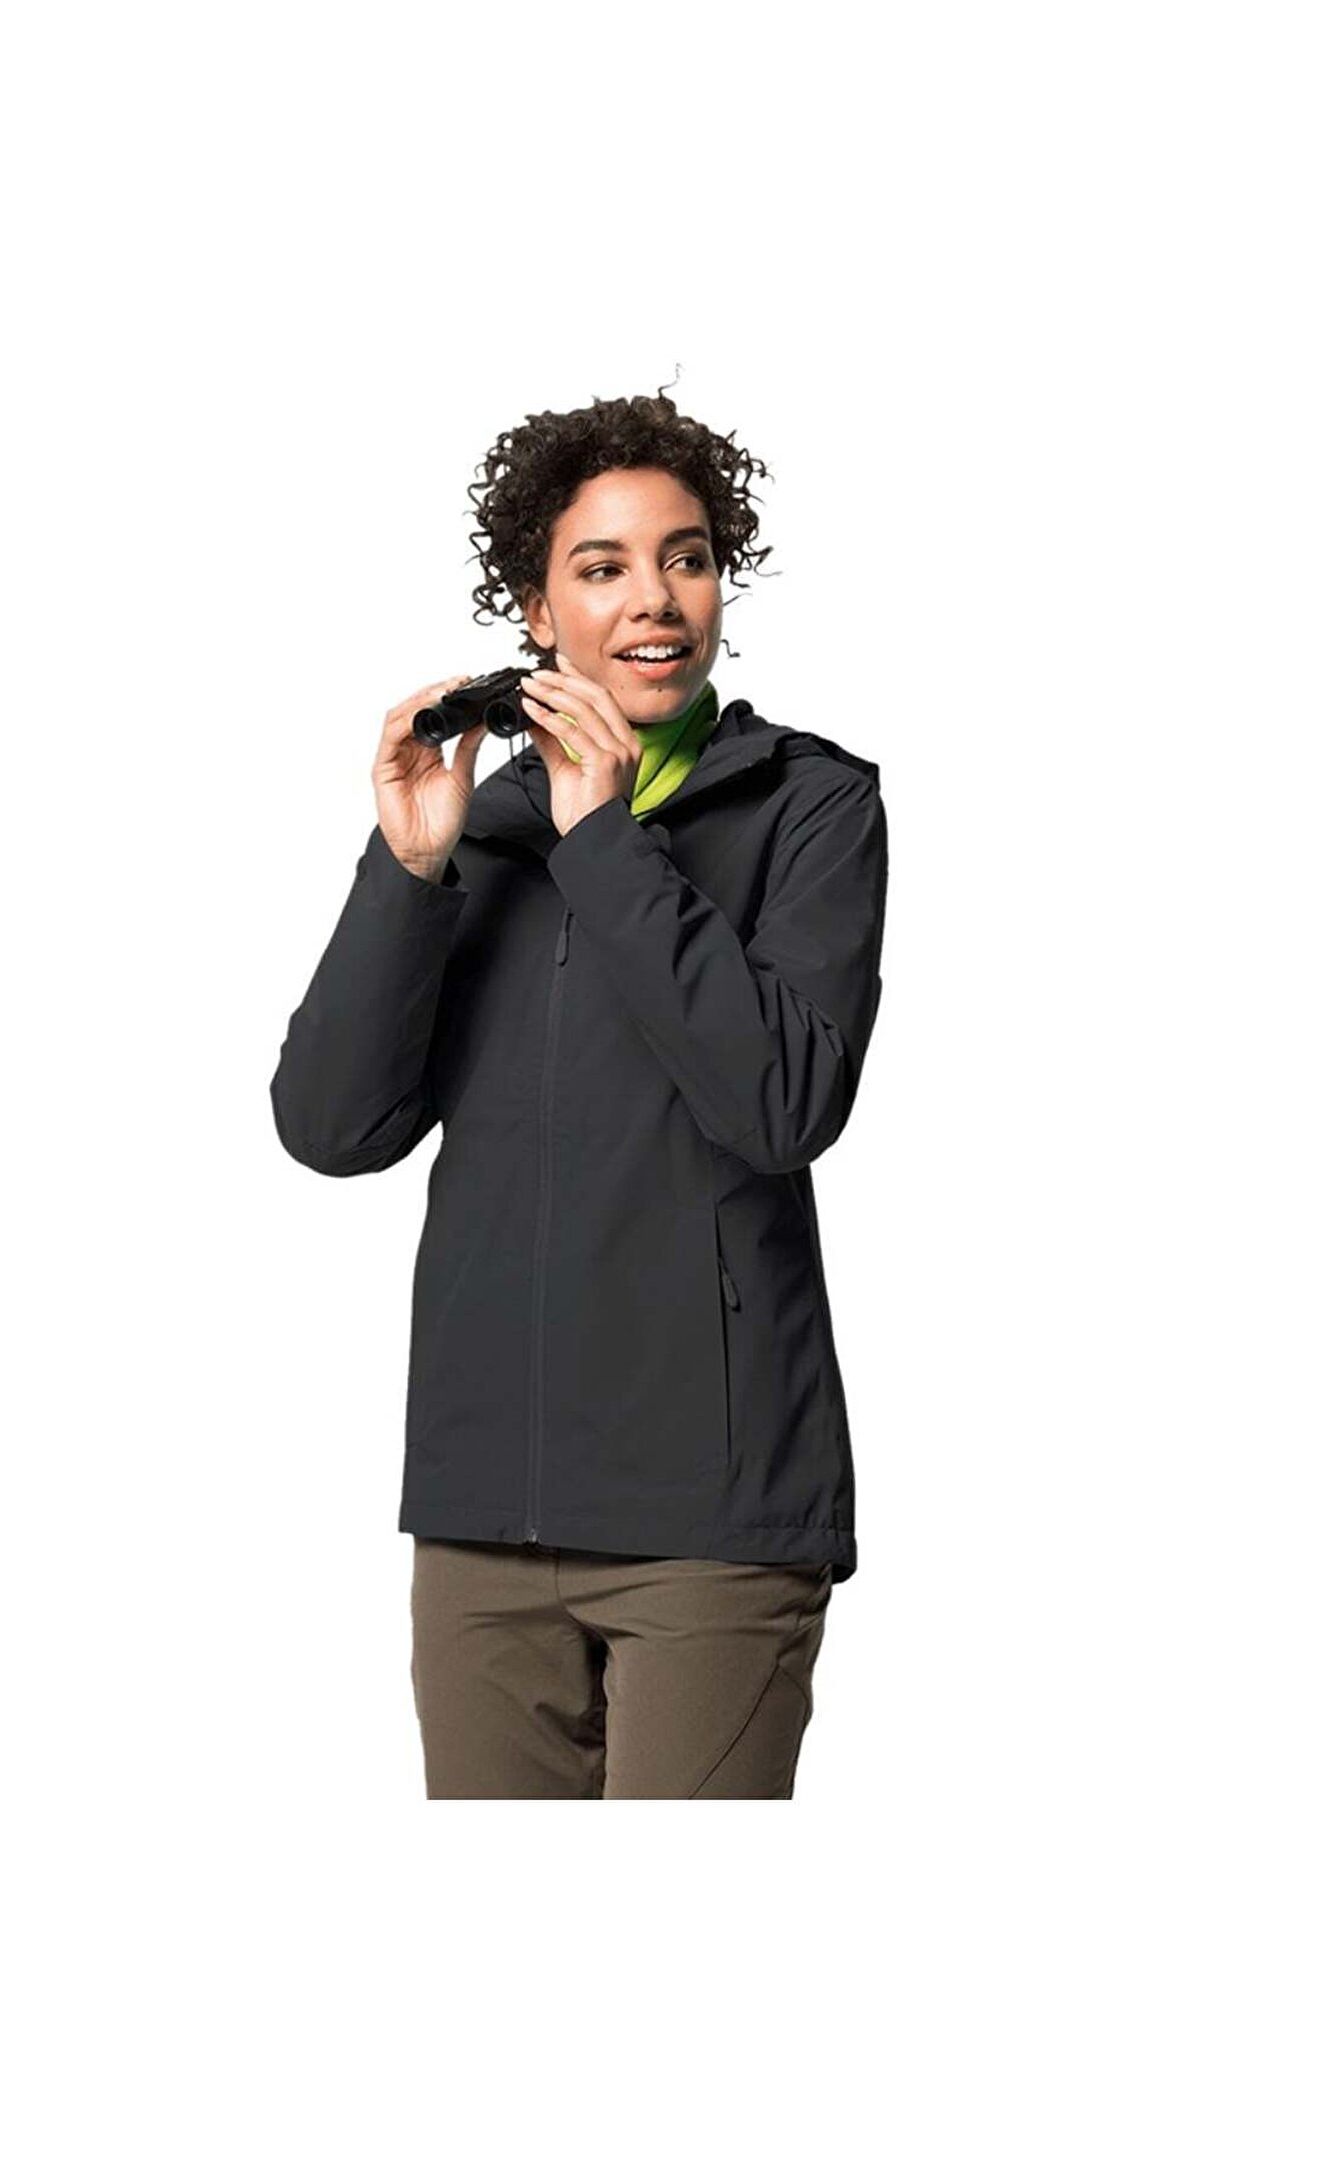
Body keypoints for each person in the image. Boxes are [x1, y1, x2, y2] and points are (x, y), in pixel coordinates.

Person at [270, 392, 889, 1798]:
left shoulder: (810, 807)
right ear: (539, 612)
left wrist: (604, 839)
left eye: (687, 557)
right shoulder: (479, 832)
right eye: (602, 567)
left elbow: (784, 1102)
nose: (654, 598)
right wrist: (409, 868)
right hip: (483, 1521)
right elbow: (331, 1128)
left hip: (713, 1526)